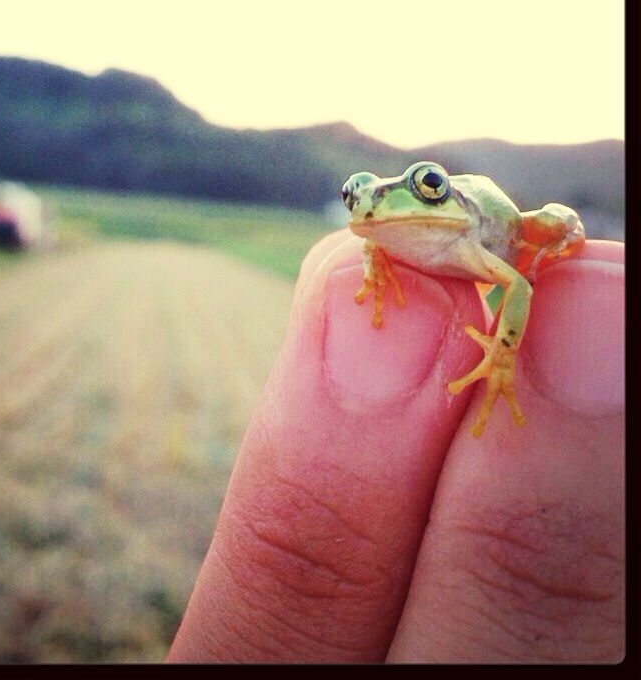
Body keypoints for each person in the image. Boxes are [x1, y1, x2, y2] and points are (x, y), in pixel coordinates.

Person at [166, 230, 624, 663]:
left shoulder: (472, 245)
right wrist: (374, 263)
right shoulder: (383, 233)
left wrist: (504, 352)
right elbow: (372, 236)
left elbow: (519, 288)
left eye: (425, 185)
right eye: (353, 195)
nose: (365, 206)